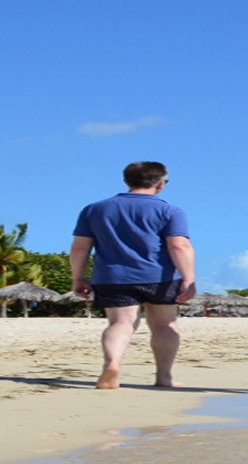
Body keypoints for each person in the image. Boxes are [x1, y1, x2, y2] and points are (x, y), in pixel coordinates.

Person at [70, 161, 196, 389]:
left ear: (126, 181)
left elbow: (80, 248)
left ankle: (113, 363)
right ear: (160, 184)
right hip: (160, 277)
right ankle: (164, 377)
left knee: (121, 323)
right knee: (164, 325)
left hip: (112, 277)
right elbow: (179, 246)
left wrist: (78, 277)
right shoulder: (170, 211)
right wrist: (188, 278)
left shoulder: (94, 209)